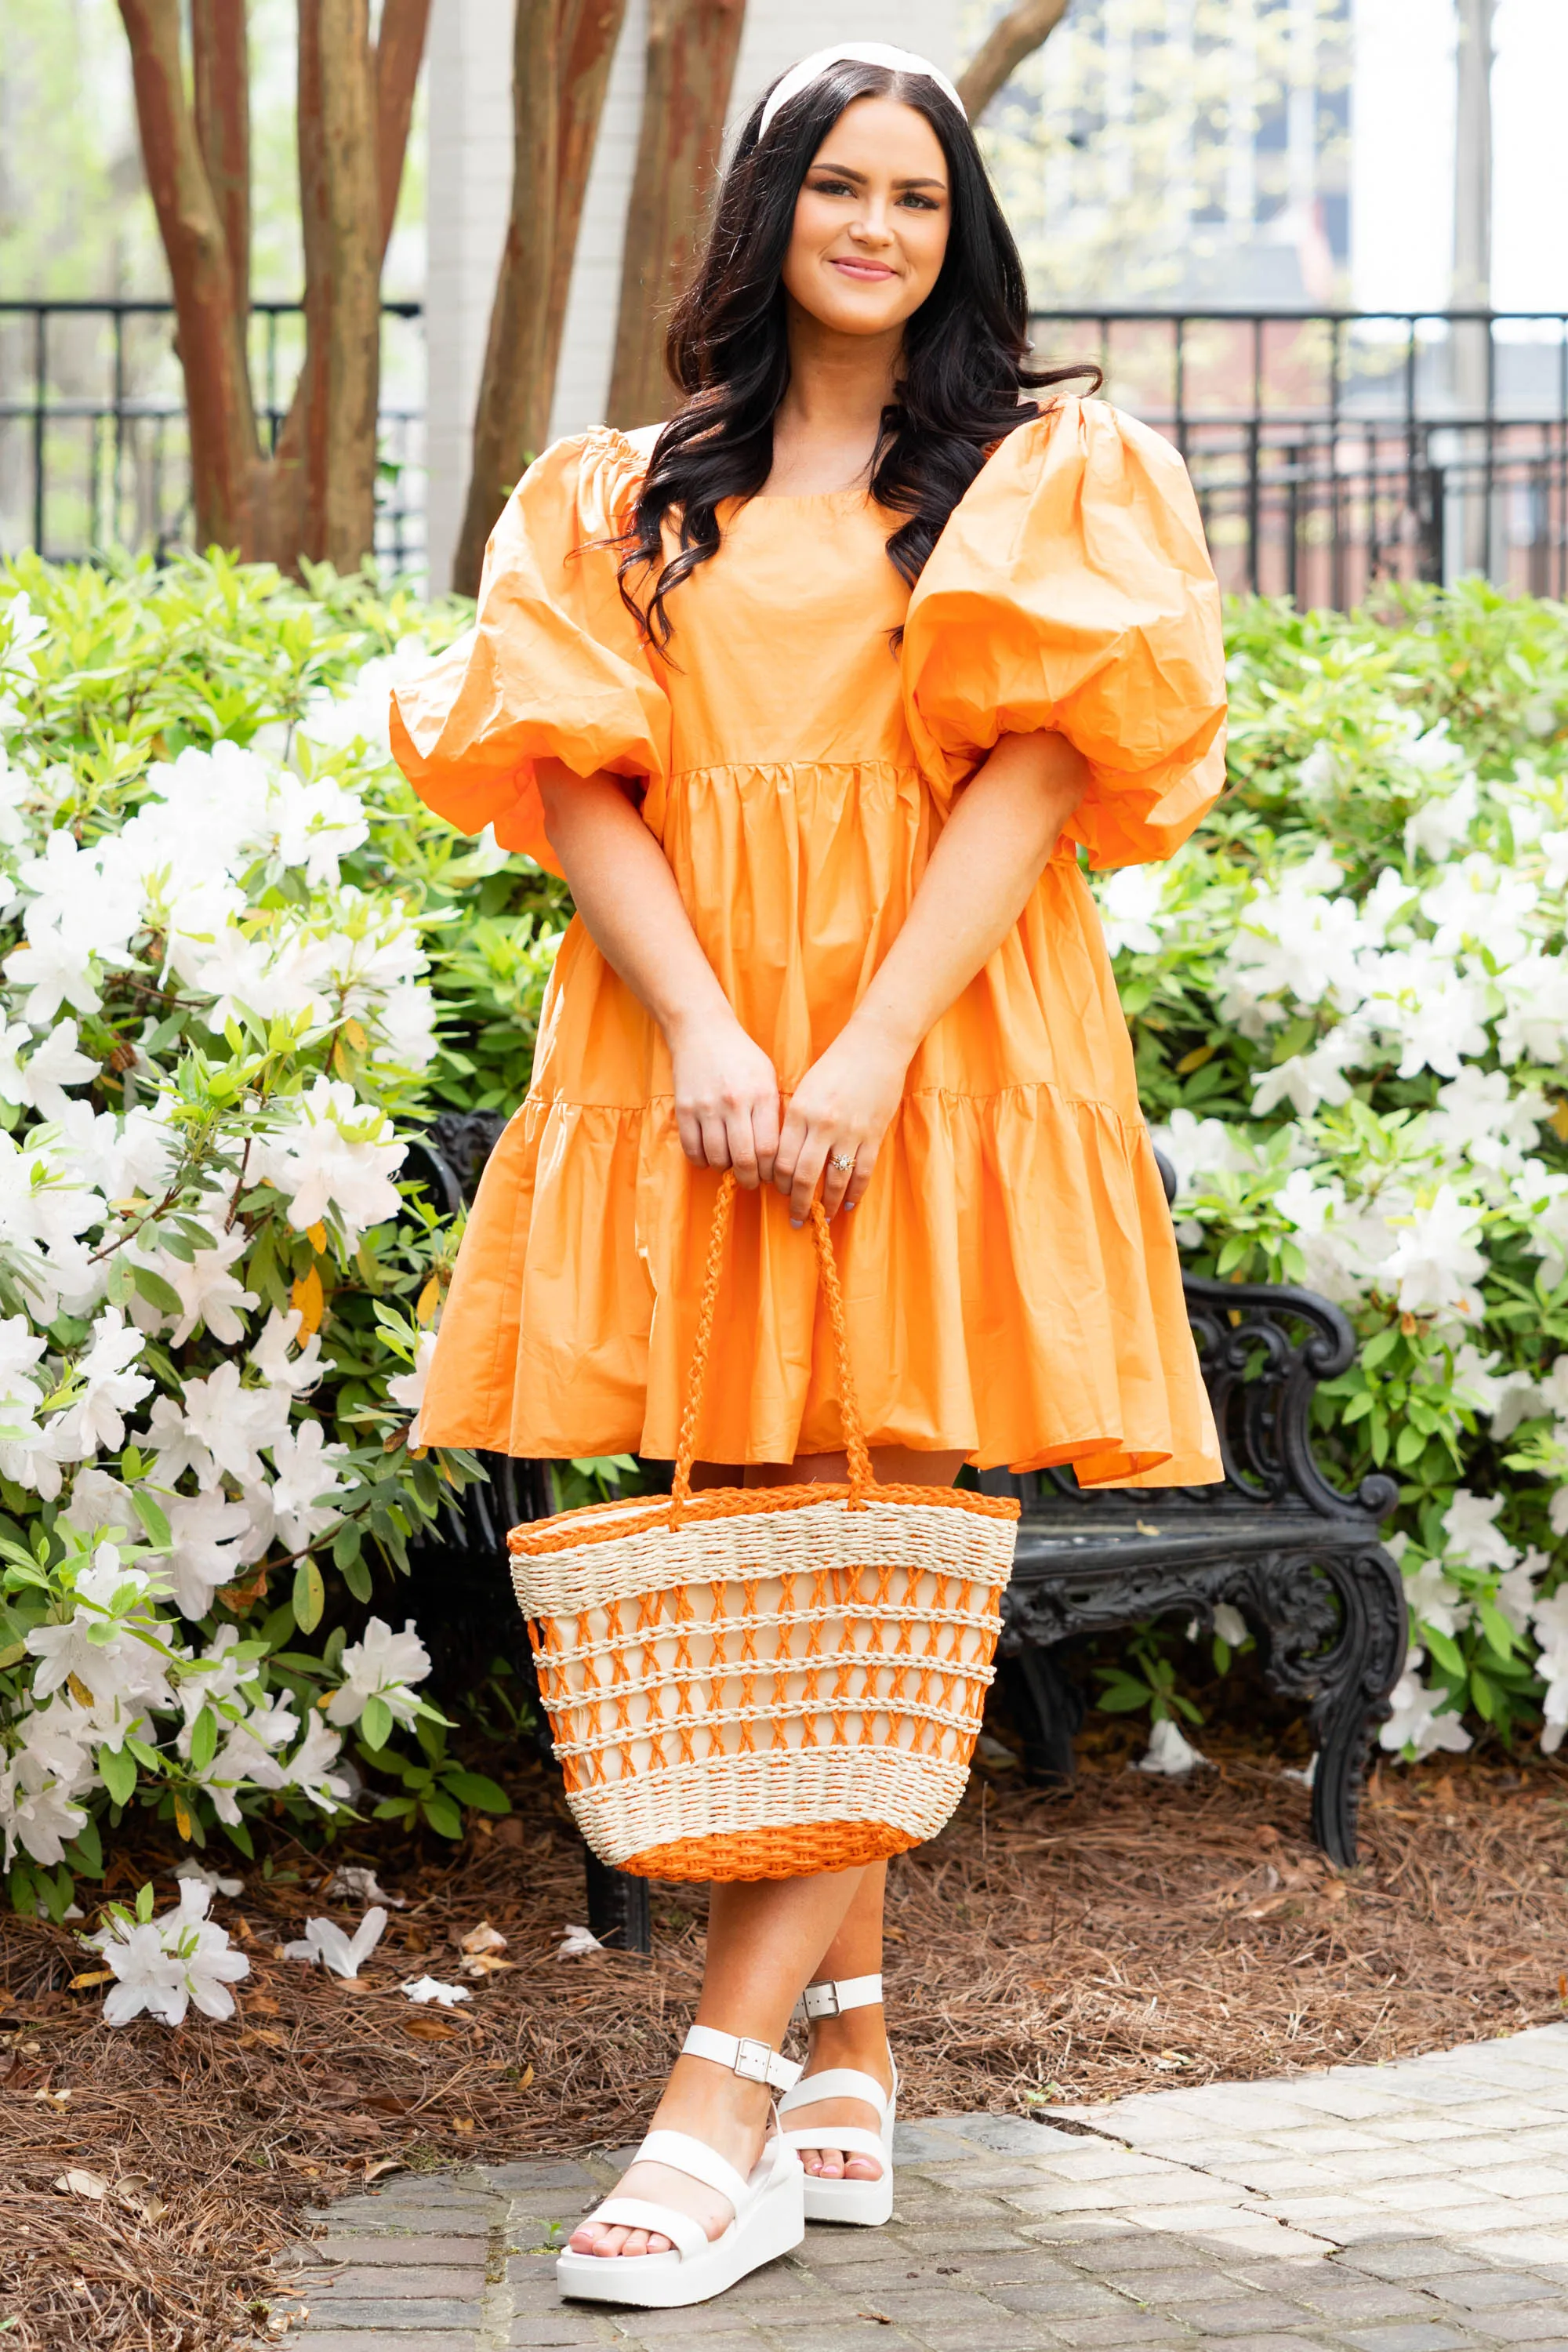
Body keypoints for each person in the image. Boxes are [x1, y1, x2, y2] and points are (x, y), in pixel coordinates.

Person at [390, 38, 1226, 2311]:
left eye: (919, 200)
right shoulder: (608, 496)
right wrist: (714, 1033)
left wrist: (857, 1049)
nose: (879, 227)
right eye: (840, 188)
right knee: (773, 1513)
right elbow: (575, 789)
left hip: (941, 1045)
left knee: (886, 1536)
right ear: (768, 217)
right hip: (697, 1046)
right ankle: (854, 2026)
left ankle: (724, 2099)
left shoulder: (1046, 468)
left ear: (960, 239)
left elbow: (1050, 771)